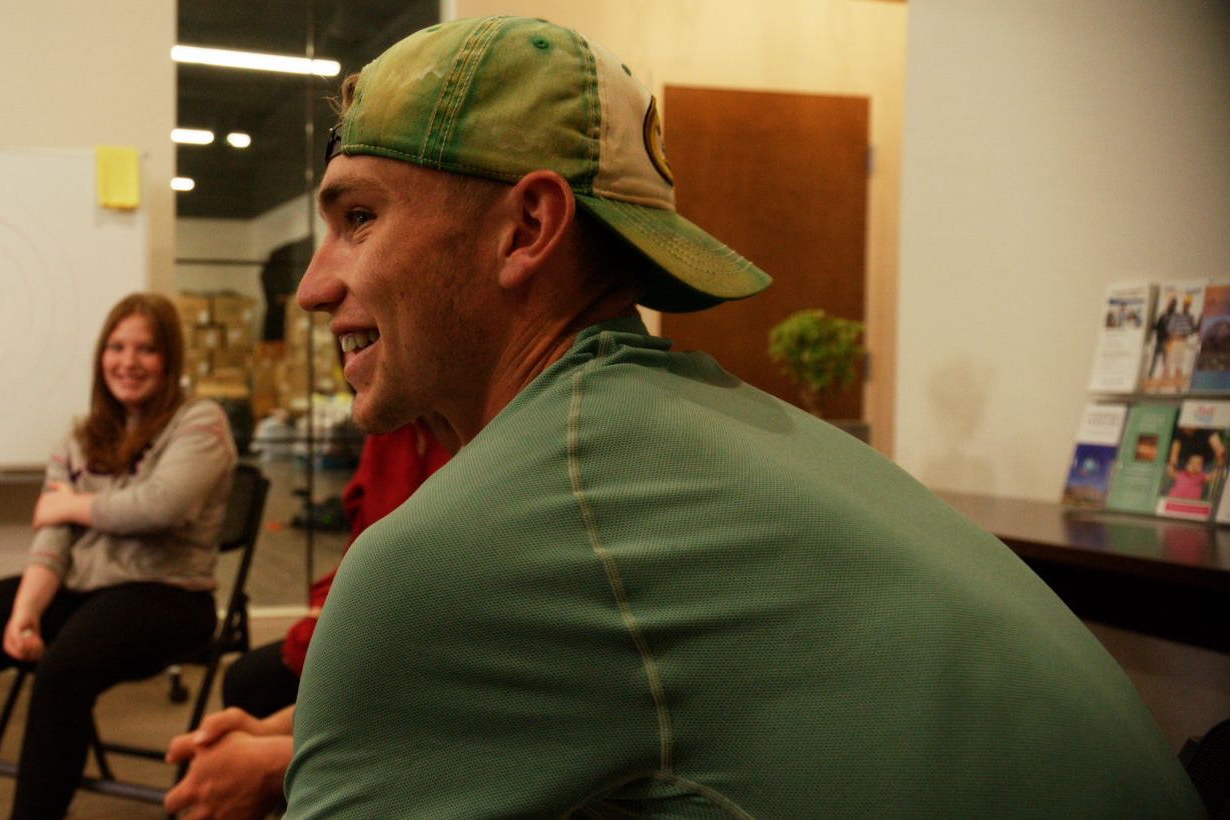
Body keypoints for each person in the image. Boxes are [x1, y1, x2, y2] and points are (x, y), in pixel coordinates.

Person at [236, 16, 1204, 817]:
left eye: (358, 217)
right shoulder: (728, 427)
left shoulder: (453, 546)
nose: (316, 285)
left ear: (526, 229)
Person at [0, 292, 236, 820]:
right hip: (81, 591)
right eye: (117, 347)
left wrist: (74, 503)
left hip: (169, 595)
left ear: (169, 360)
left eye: (146, 349)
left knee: (63, 669)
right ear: (101, 356)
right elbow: (52, 538)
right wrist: (26, 613)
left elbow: (161, 507)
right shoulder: (80, 436)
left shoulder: (200, 421)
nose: (128, 362)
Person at [162, 419, 449, 818]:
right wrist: (276, 732)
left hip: (419, 665)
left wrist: (277, 757)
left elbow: (459, 691)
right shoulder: (396, 432)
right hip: (399, 642)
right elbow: (368, 558)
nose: (349, 361)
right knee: (250, 682)